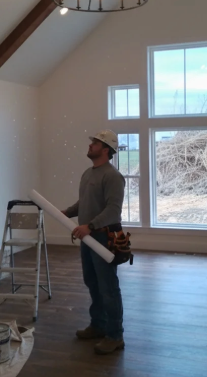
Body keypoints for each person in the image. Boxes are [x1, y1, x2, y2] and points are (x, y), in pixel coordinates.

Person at [62, 129, 126, 355]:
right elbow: (84, 202)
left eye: (96, 143)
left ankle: (115, 335)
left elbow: (113, 211)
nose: (90, 145)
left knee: (108, 287)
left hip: (103, 237)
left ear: (106, 149)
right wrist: (66, 213)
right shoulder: (88, 174)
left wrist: (89, 226)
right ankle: (98, 325)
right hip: (88, 237)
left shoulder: (113, 176)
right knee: (92, 282)